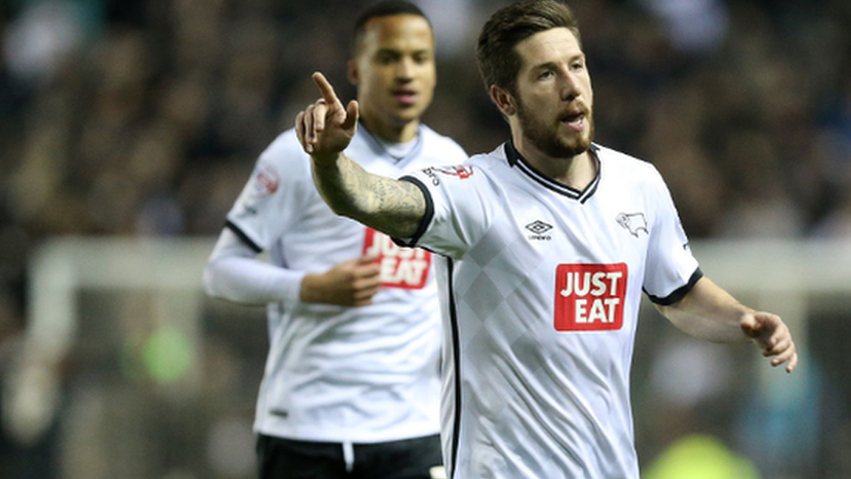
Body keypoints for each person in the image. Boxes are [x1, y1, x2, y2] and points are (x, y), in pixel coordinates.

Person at [293, 1, 798, 478]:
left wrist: (743, 319)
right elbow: (370, 199)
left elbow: (680, 293)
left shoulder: (638, 184)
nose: (571, 86)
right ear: (504, 98)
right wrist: (330, 162)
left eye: (576, 66)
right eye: (546, 73)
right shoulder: (475, 194)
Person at [203, 2, 467, 478]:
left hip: (415, 430)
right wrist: (308, 287)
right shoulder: (295, 153)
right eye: (388, 57)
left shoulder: (452, 164)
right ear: (355, 69)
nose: (405, 72)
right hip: (306, 429)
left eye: (419, 57)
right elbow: (220, 272)